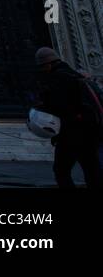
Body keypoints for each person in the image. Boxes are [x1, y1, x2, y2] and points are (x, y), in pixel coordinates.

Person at [34, 46, 102, 188]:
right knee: (92, 170)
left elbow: (59, 107)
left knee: (61, 171)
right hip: (90, 131)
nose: (41, 70)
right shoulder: (77, 75)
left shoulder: (58, 78)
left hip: (71, 132)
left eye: (42, 67)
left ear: (48, 64)